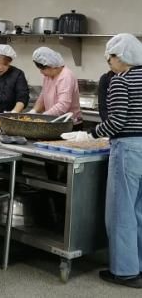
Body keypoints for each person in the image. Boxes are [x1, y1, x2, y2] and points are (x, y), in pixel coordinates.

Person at [77, 34, 142, 288]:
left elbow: (116, 122)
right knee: (139, 211)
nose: (109, 63)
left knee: (121, 211)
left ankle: (125, 272)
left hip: (128, 150)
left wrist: (89, 134)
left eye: (110, 57)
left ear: (121, 57)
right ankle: (139, 265)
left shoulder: (120, 80)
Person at [30, 47, 82, 126]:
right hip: (54, 122)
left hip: (68, 125)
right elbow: (43, 96)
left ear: (52, 66)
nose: (41, 72)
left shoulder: (65, 76)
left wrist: (43, 117)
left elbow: (63, 105)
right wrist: (34, 111)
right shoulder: (48, 76)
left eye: (42, 69)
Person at [0, 44, 29, 115]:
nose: (0, 67)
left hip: (10, 114)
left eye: (5, 64)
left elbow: (22, 97)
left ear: (9, 63)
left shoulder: (17, 74)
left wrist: (13, 113)